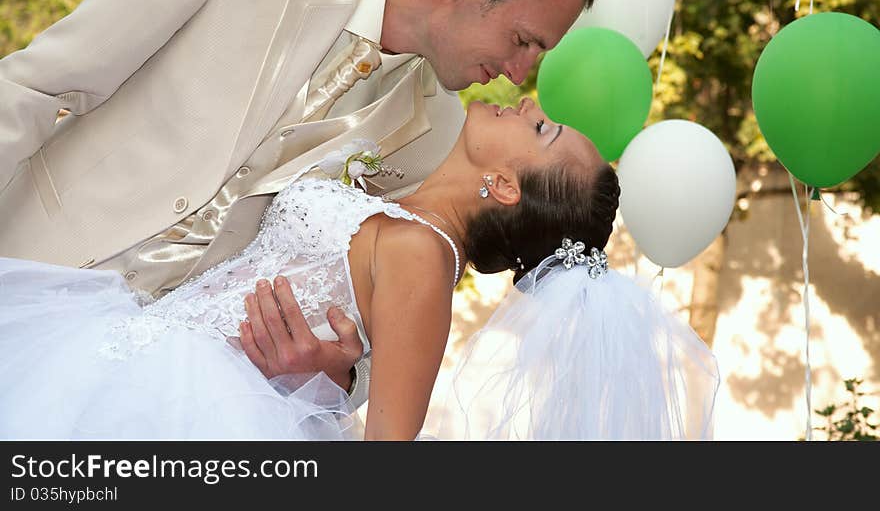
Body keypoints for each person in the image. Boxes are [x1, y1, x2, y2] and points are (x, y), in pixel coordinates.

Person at [0, 0, 598, 403]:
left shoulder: (441, 135)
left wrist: (334, 373)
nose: (520, 74)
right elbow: (39, 83)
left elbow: (391, 318)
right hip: (22, 269)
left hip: (148, 388)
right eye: (523, 40)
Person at [0, 98, 719, 440]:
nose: (529, 103)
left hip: (187, 411)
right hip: (136, 344)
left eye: (540, 130)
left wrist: (323, 385)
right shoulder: (403, 204)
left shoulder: (423, 260)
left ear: (504, 186)